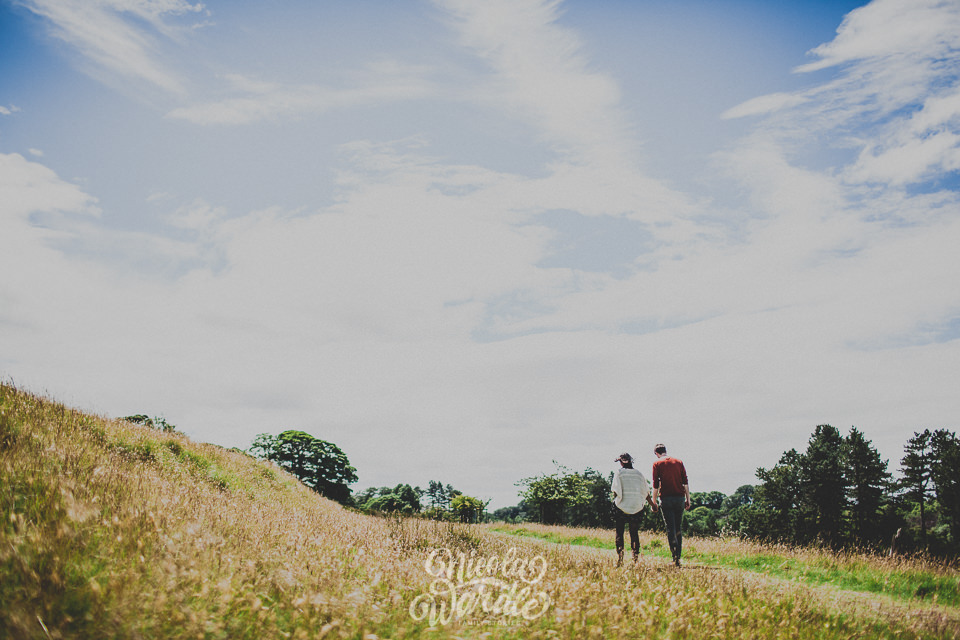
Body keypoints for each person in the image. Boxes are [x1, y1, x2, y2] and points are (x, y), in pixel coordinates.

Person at [610, 452, 656, 566]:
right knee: (634, 533)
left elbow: (615, 491)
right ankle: (635, 560)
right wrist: (652, 504)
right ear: (631, 461)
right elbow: (645, 492)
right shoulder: (639, 474)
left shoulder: (619, 473)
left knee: (619, 532)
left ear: (621, 462)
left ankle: (620, 559)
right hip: (636, 507)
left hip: (621, 507)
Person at [651, 443, 690, 567]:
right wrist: (688, 499)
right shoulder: (679, 462)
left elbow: (655, 485)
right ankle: (678, 555)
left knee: (670, 528)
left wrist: (654, 501)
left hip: (666, 498)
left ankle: (674, 558)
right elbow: (685, 482)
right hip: (679, 498)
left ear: (656, 453)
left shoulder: (657, 464)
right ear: (665, 451)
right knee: (678, 527)